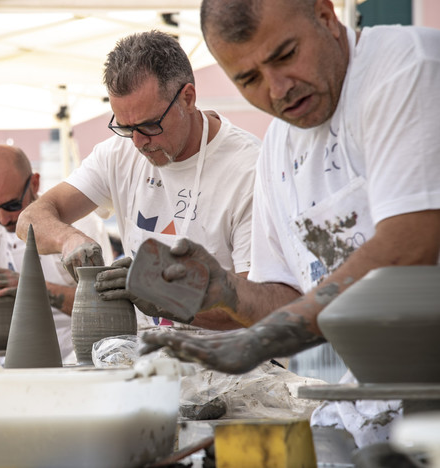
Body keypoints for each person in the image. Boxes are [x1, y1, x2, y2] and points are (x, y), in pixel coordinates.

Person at [138, 0, 440, 449]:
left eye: (285, 55)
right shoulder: (278, 147)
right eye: (249, 79)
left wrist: (262, 339)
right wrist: (225, 291)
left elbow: (410, 245)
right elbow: (291, 299)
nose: (277, 90)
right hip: (377, 400)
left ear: (324, 14)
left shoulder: (406, 67)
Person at [16, 30, 261, 330]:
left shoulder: (249, 170)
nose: (137, 142)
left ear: (188, 98)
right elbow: (29, 219)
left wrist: (165, 298)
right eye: (124, 126)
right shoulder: (117, 154)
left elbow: (255, 307)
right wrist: (68, 239)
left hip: (233, 365)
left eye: (149, 125)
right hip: (146, 358)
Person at [0, 144, 113, 363]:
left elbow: (107, 307)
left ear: (34, 183)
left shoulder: (77, 225)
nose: (3, 218)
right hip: (11, 362)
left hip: (76, 359)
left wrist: (33, 288)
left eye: (12, 205)